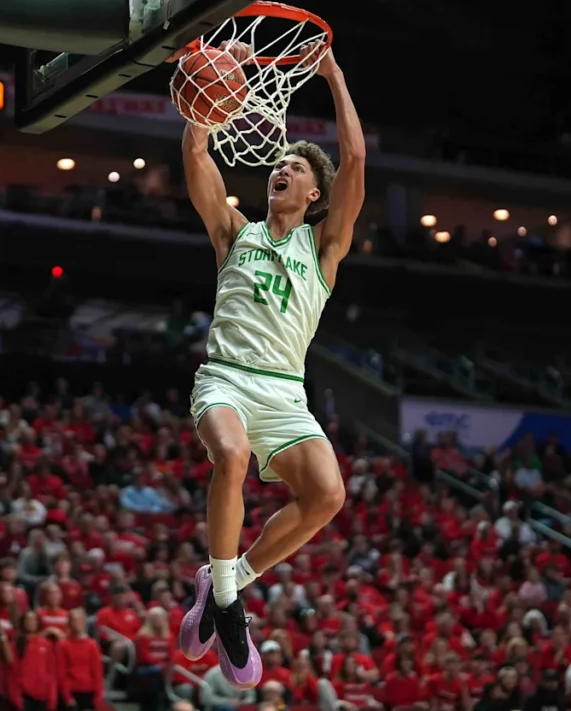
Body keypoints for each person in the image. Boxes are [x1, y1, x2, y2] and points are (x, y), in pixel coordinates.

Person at [177, 38, 365, 689]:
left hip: (285, 393)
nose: (281, 168)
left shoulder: (325, 247)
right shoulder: (236, 231)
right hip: (227, 378)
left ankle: (227, 579)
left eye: (296, 166)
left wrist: (333, 74)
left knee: (328, 495)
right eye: (278, 163)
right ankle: (230, 609)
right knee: (230, 457)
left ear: (315, 193)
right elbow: (196, 154)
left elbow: (356, 159)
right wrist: (205, 94)